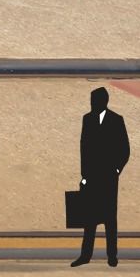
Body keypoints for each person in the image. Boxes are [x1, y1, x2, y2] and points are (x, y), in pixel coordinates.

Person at [76, 87, 129, 267]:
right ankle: (85, 255)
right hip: (92, 177)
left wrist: (116, 170)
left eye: (94, 101)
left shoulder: (116, 120)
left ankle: (112, 256)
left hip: (108, 178)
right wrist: (84, 175)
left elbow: (125, 149)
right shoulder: (87, 119)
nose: (92, 104)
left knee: (109, 218)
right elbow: (84, 148)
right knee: (89, 218)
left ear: (103, 101)